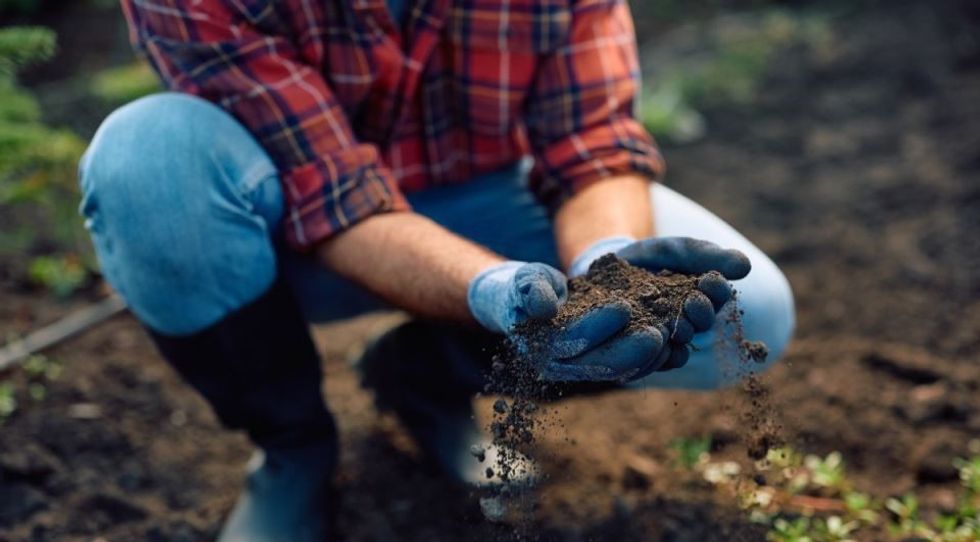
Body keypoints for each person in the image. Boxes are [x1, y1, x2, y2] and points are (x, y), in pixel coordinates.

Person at [78, 0, 795, 540]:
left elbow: (592, 147)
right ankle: (293, 451)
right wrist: (496, 294)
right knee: (148, 163)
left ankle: (422, 375)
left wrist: (606, 270)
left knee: (746, 309)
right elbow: (336, 199)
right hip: (287, 225)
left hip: (482, 191)